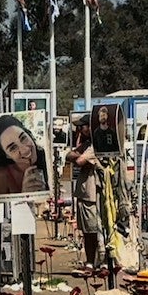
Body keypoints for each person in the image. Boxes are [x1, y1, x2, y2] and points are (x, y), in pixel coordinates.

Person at [67, 114, 102, 267]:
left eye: (82, 127)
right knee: (87, 231)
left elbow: (80, 161)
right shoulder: (86, 144)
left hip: (93, 194)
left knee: (94, 230)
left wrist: (78, 157)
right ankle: (89, 261)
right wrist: (78, 155)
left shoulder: (96, 145)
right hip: (84, 192)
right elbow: (69, 155)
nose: (80, 130)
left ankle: (98, 261)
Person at [0, 114, 48, 195]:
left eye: (23, 138)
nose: (25, 150)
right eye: (13, 148)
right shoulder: (1, 176)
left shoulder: (46, 158)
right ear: (6, 155)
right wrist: (24, 196)